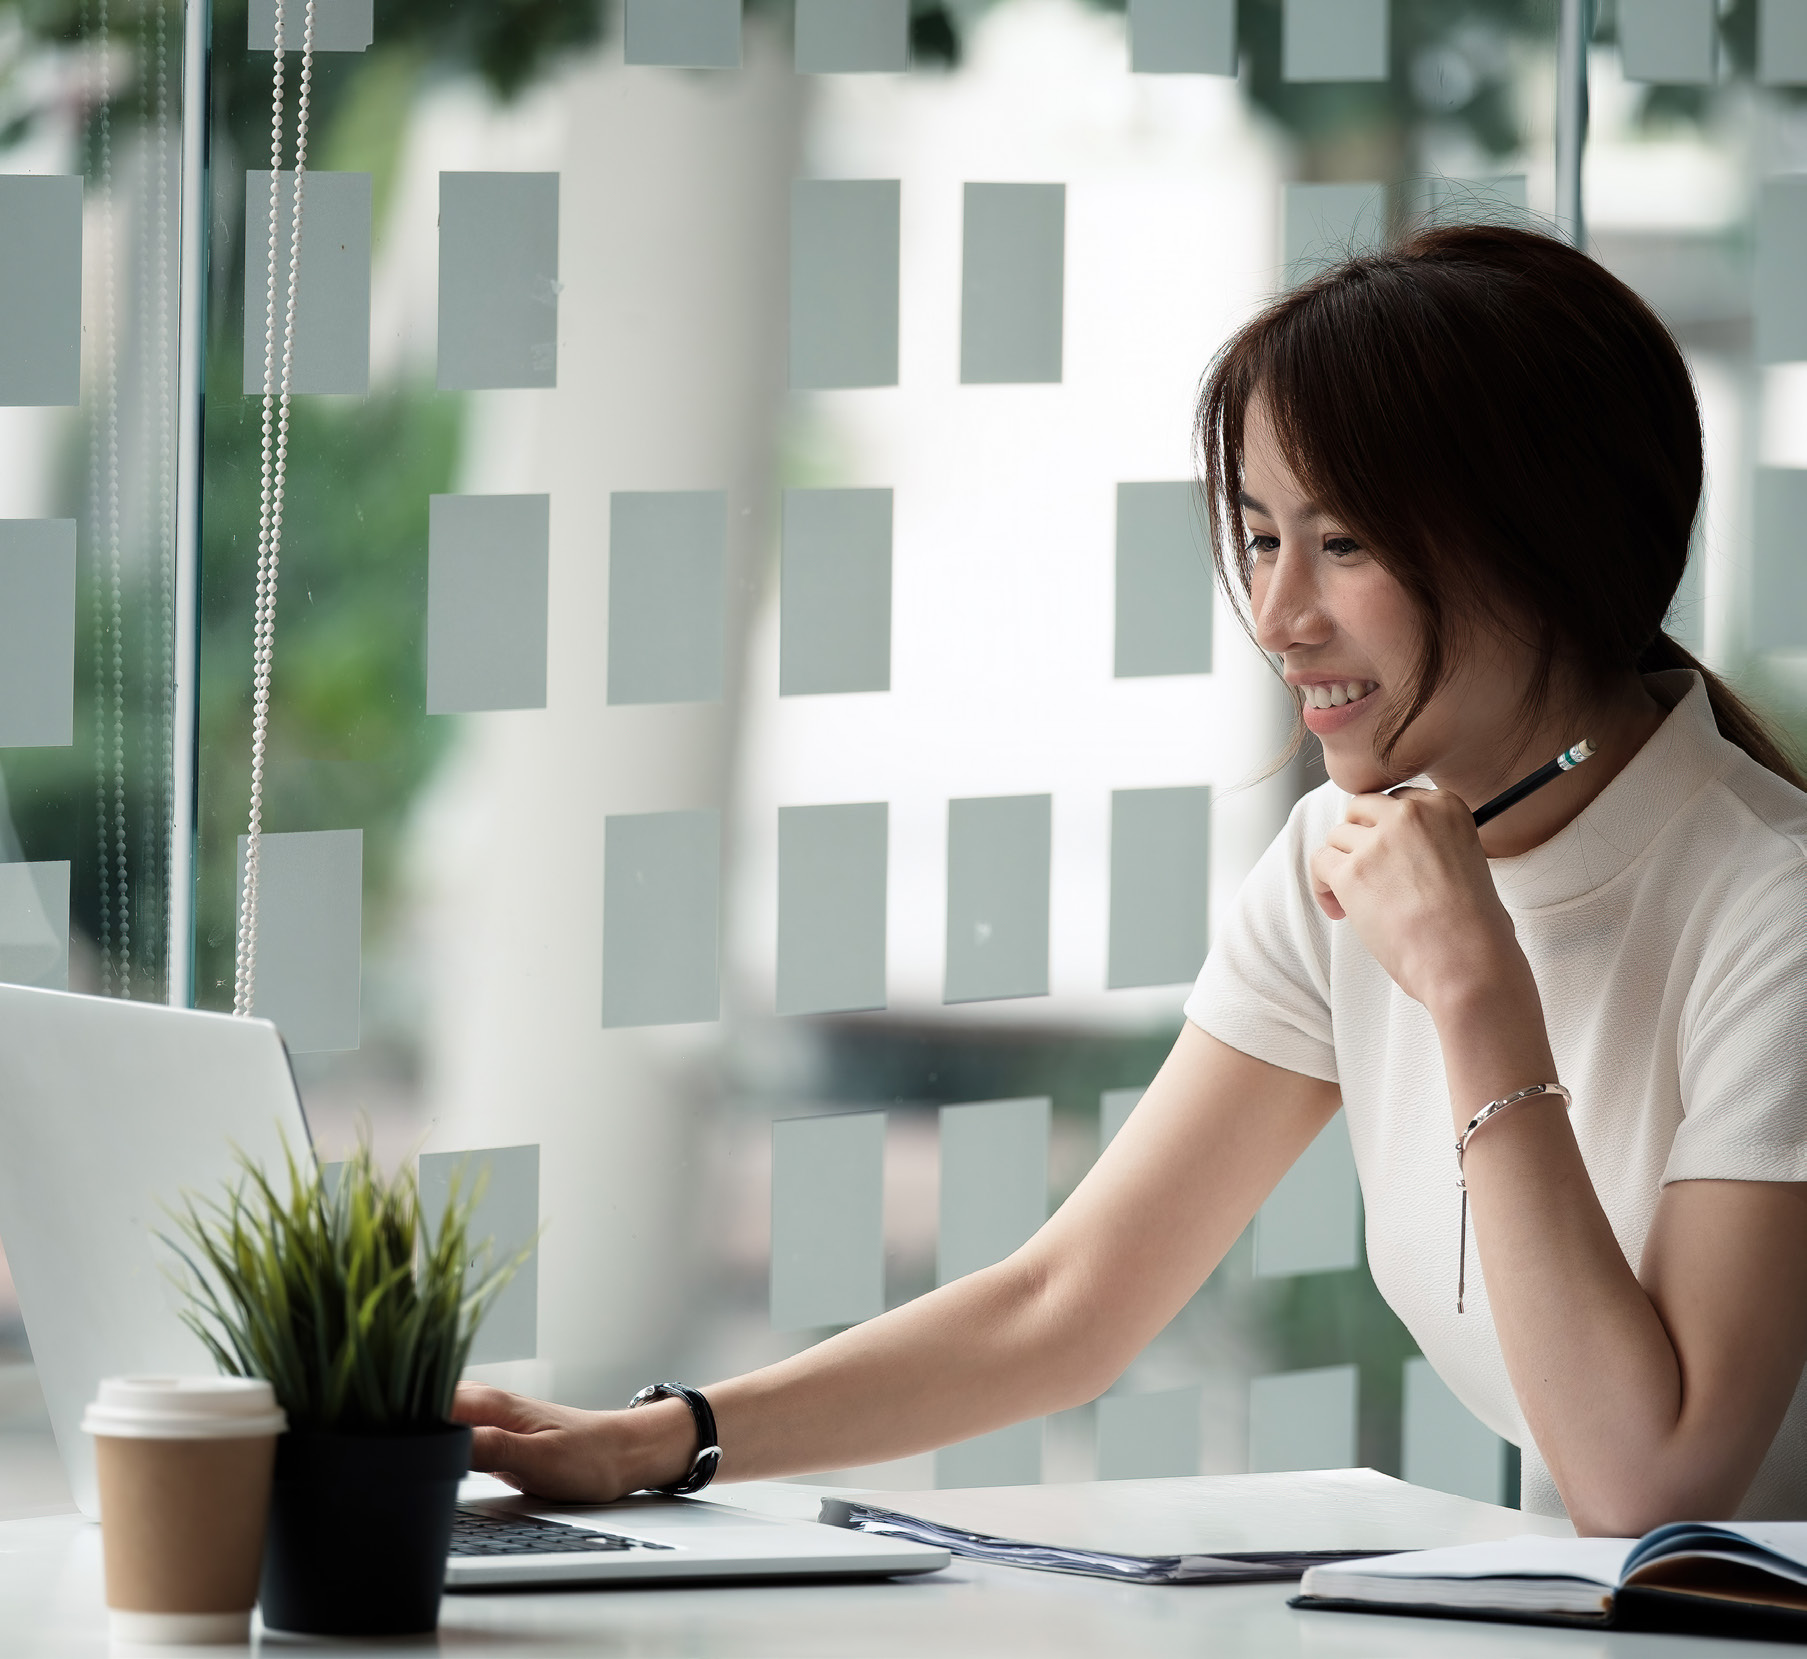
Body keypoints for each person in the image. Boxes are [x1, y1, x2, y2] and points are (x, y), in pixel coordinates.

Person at [454, 224, 1807, 1535]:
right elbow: (1070, 1301)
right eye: (1265, 537)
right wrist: (660, 1439)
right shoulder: (1345, 866)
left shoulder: (1771, 915)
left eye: (1343, 544)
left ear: (1550, 547)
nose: (1279, 618)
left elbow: (1655, 1488)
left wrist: (1472, 988)